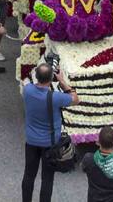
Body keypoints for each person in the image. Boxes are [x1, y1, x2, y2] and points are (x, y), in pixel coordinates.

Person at [22, 60, 76, 202]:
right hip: (50, 144)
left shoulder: (27, 91)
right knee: (47, 178)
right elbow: (75, 99)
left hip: (31, 141)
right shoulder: (56, 97)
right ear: (51, 78)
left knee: (29, 175)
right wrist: (63, 82)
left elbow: (25, 81)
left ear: (37, 77)